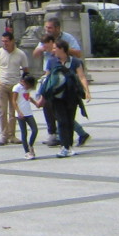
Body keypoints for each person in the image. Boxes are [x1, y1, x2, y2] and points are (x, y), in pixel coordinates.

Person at [33, 15, 81, 146]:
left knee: (61, 108)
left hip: (65, 78)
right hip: (50, 77)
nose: (47, 30)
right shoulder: (46, 40)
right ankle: (54, 133)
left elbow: (78, 53)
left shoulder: (67, 38)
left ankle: (67, 134)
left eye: (50, 28)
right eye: (46, 27)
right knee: (50, 106)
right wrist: (43, 47)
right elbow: (35, 54)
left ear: (57, 28)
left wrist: (61, 48)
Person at [41, 37, 90, 157]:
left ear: (62, 49)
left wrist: (87, 91)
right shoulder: (51, 62)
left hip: (71, 96)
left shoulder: (75, 62)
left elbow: (82, 77)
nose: (53, 50)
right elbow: (47, 79)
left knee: (69, 121)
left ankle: (68, 146)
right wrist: (42, 95)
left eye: (55, 48)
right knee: (62, 121)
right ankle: (64, 147)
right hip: (57, 97)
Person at [0, 31, 30, 145]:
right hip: (2, 84)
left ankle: (12, 135)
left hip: (15, 86)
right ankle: (4, 135)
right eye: (3, 41)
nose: (4, 44)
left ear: (12, 41)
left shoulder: (20, 54)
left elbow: (26, 70)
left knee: (13, 111)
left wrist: (23, 84)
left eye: (6, 41)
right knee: (2, 111)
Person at [13, 71, 42, 159]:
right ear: (24, 82)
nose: (29, 88)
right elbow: (13, 101)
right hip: (21, 114)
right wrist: (18, 111)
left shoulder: (27, 89)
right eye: (28, 85)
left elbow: (28, 97)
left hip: (28, 112)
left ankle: (30, 145)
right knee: (24, 132)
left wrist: (35, 103)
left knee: (35, 129)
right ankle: (27, 151)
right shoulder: (17, 88)